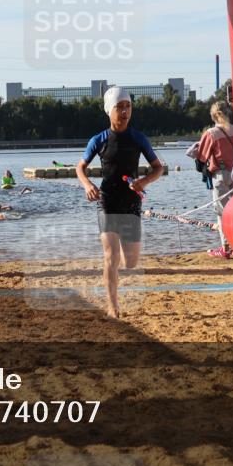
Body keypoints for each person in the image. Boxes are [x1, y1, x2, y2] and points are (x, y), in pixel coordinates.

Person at [77, 86, 164, 318]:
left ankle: (119, 275)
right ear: (109, 110)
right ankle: (112, 304)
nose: (125, 111)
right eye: (119, 107)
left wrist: (143, 182)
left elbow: (158, 168)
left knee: (130, 263)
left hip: (131, 202)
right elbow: (80, 167)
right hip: (107, 200)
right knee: (111, 256)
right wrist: (87, 185)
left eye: (128, 106)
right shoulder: (99, 140)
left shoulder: (138, 138)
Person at [194, 102, 233, 258]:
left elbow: (200, 159)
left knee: (222, 213)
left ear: (213, 116)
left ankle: (225, 248)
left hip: (221, 174)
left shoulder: (211, 133)